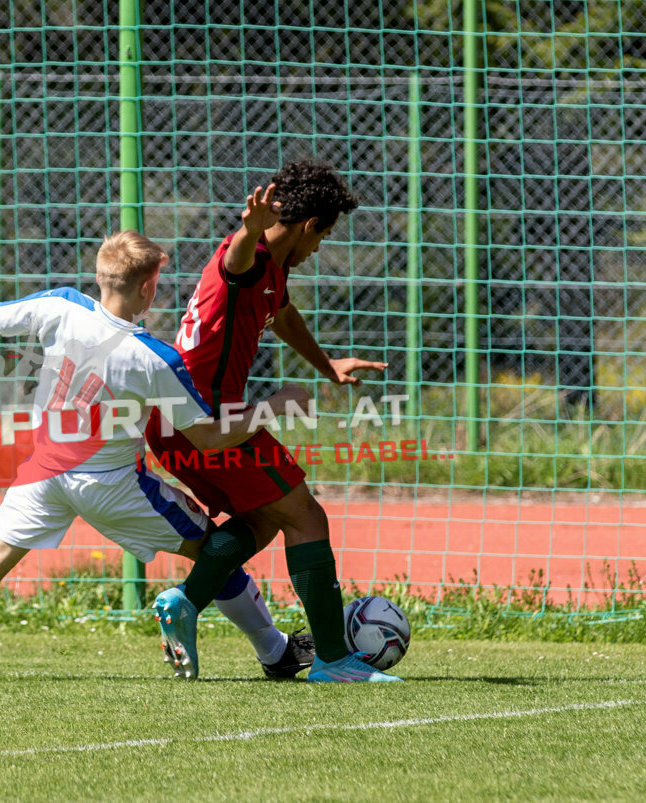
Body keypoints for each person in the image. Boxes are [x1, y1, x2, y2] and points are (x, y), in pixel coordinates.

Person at [0, 231, 314, 682]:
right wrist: (273, 407)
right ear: (147, 289)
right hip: (113, 485)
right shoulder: (155, 358)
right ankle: (274, 652)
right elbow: (207, 438)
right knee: (215, 553)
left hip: (42, 474)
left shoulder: (60, 306)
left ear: (100, 277)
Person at [146, 161, 402, 682]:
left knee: (264, 519)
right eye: (323, 236)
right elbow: (236, 261)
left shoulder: (276, 269)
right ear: (309, 226)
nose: (319, 248)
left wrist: (327, 366)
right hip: (209, 424)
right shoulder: (252, 254)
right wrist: (249, 228)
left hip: (181, 422)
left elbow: (281, 315)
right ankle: (333, 659)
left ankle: (187, 600)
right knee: (307, 517)